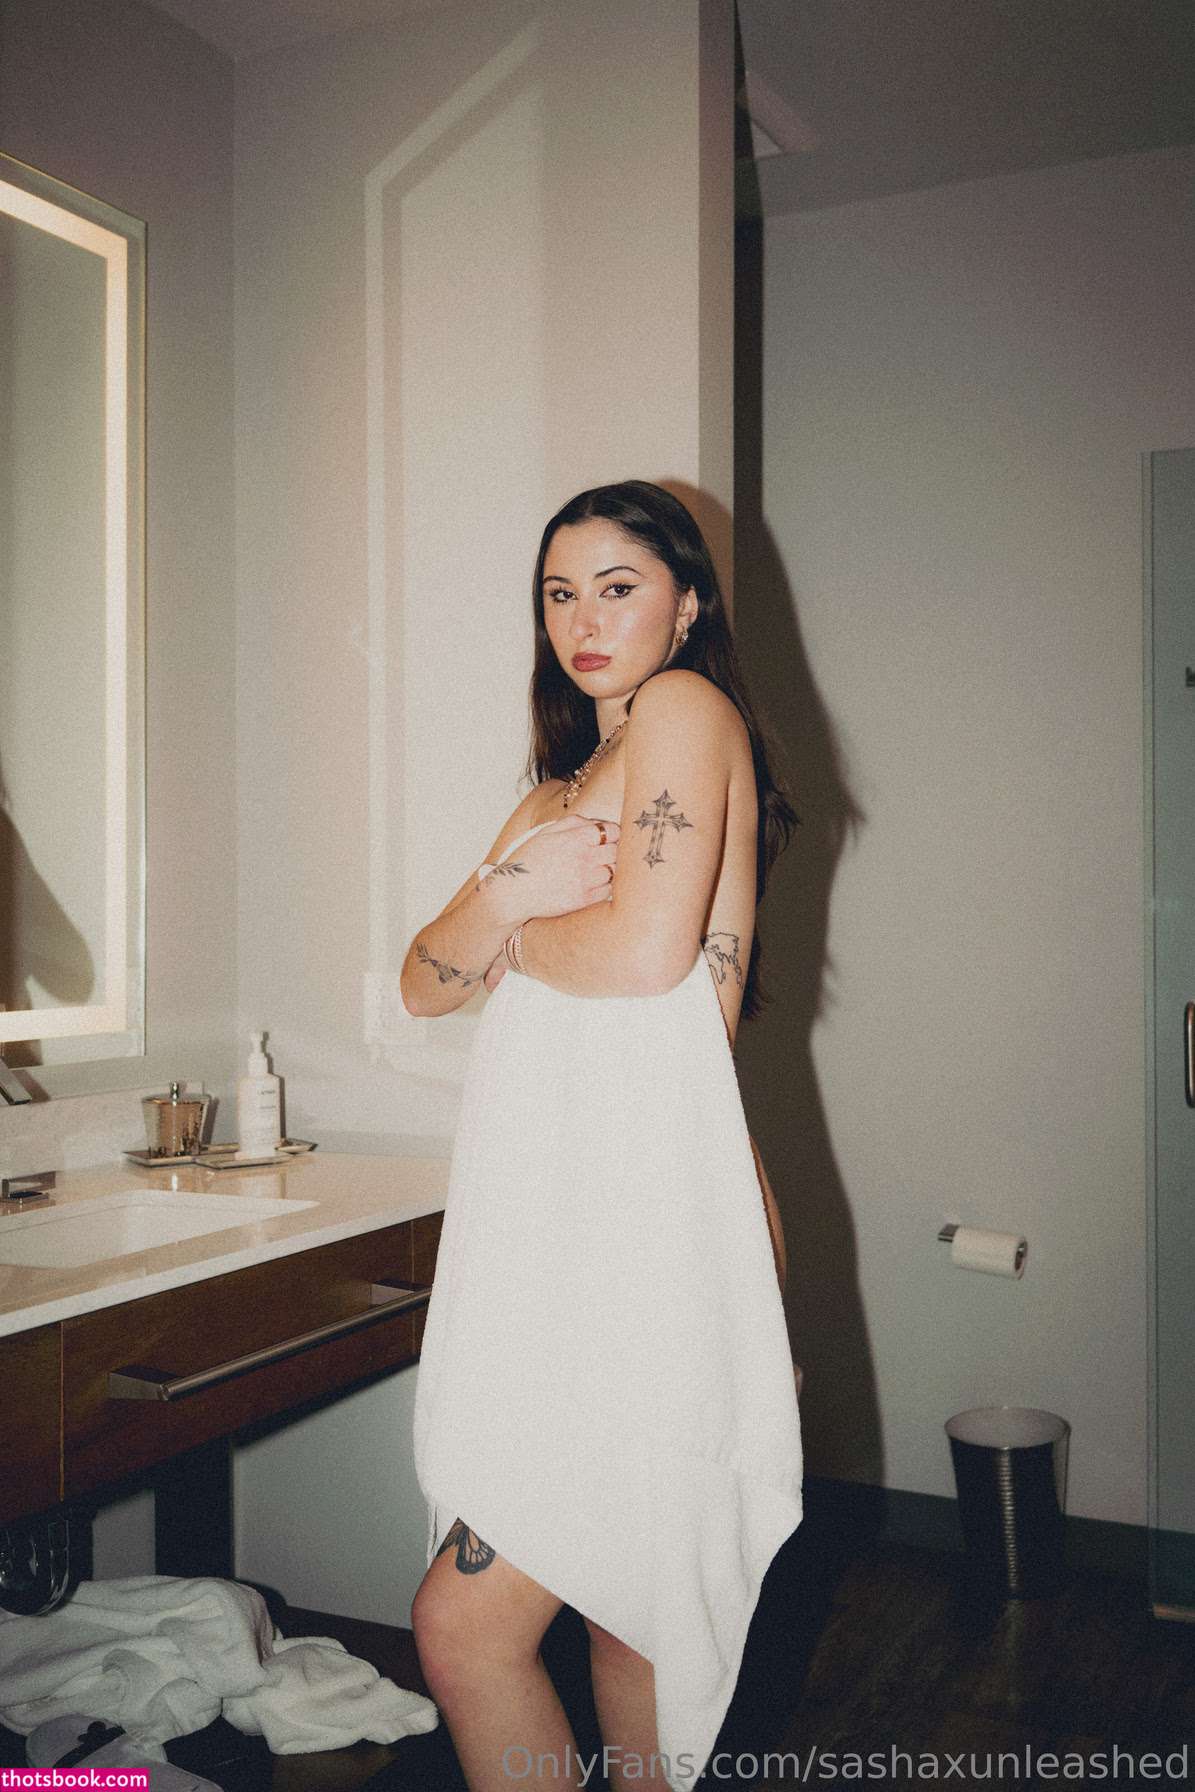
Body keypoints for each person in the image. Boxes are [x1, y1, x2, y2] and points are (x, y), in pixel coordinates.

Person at [402, 480, 803, 1792]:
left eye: (618, 588)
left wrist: (505, 922)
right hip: (566, 1236)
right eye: (559, 594)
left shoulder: (686, 710)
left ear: (686, 606)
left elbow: (640, 957)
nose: (584, 620)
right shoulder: (554, 798)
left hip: (645, 1234)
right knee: (634, 1620)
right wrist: (506, 895)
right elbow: (421, 984)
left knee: (470, 1628)